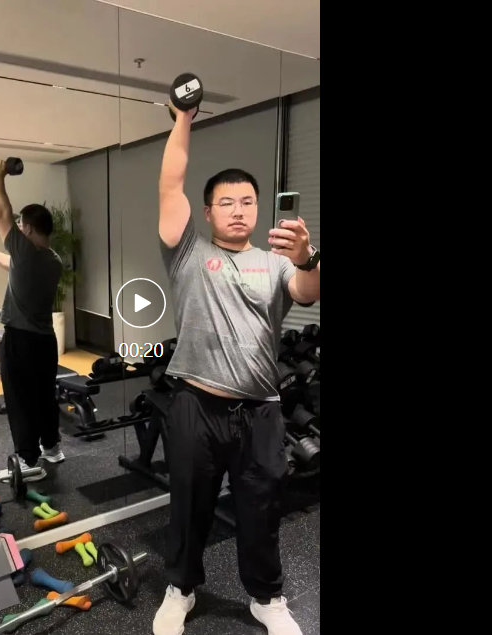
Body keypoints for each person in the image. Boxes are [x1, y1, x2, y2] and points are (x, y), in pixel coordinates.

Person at [152, 105, 320, 635]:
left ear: (258, 208)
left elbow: (307, 292)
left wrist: (309, 258)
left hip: (261, 410)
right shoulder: (187, 253)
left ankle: (266, 598)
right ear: (207, 212)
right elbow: (170, 185)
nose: (239, 210)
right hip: (196, 405)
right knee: (189, 506)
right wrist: (183, 118)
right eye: (226, 202)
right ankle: (180, 589)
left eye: (247, 201)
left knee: (262, 509)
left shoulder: (276, 262)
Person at [0, 159, 66, 478]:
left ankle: (27, 461)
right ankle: (51, 448)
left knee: (20, 399)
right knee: (43, 395)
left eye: (21, 225)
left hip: (22, 341)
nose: (18, 227)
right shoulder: (52, 260)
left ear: (27, 228)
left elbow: (2, 213)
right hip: (45, 341)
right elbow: (15, 264)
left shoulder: (27, 254)